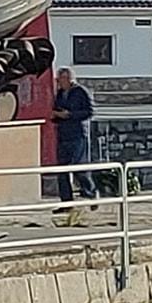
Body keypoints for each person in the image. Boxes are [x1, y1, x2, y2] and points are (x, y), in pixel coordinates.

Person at [51, 67, 96, 207]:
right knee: (62, 170)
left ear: (70, 79)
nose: (60, 82)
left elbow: (89, 112)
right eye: (59, 79)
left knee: (79, 167)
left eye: (63, 79)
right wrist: (56, 116)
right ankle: (66, 203)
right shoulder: (59, 94)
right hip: (63, 134)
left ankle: (91, 194)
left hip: (77, 134)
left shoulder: (80, 92)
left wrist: (70, 115)